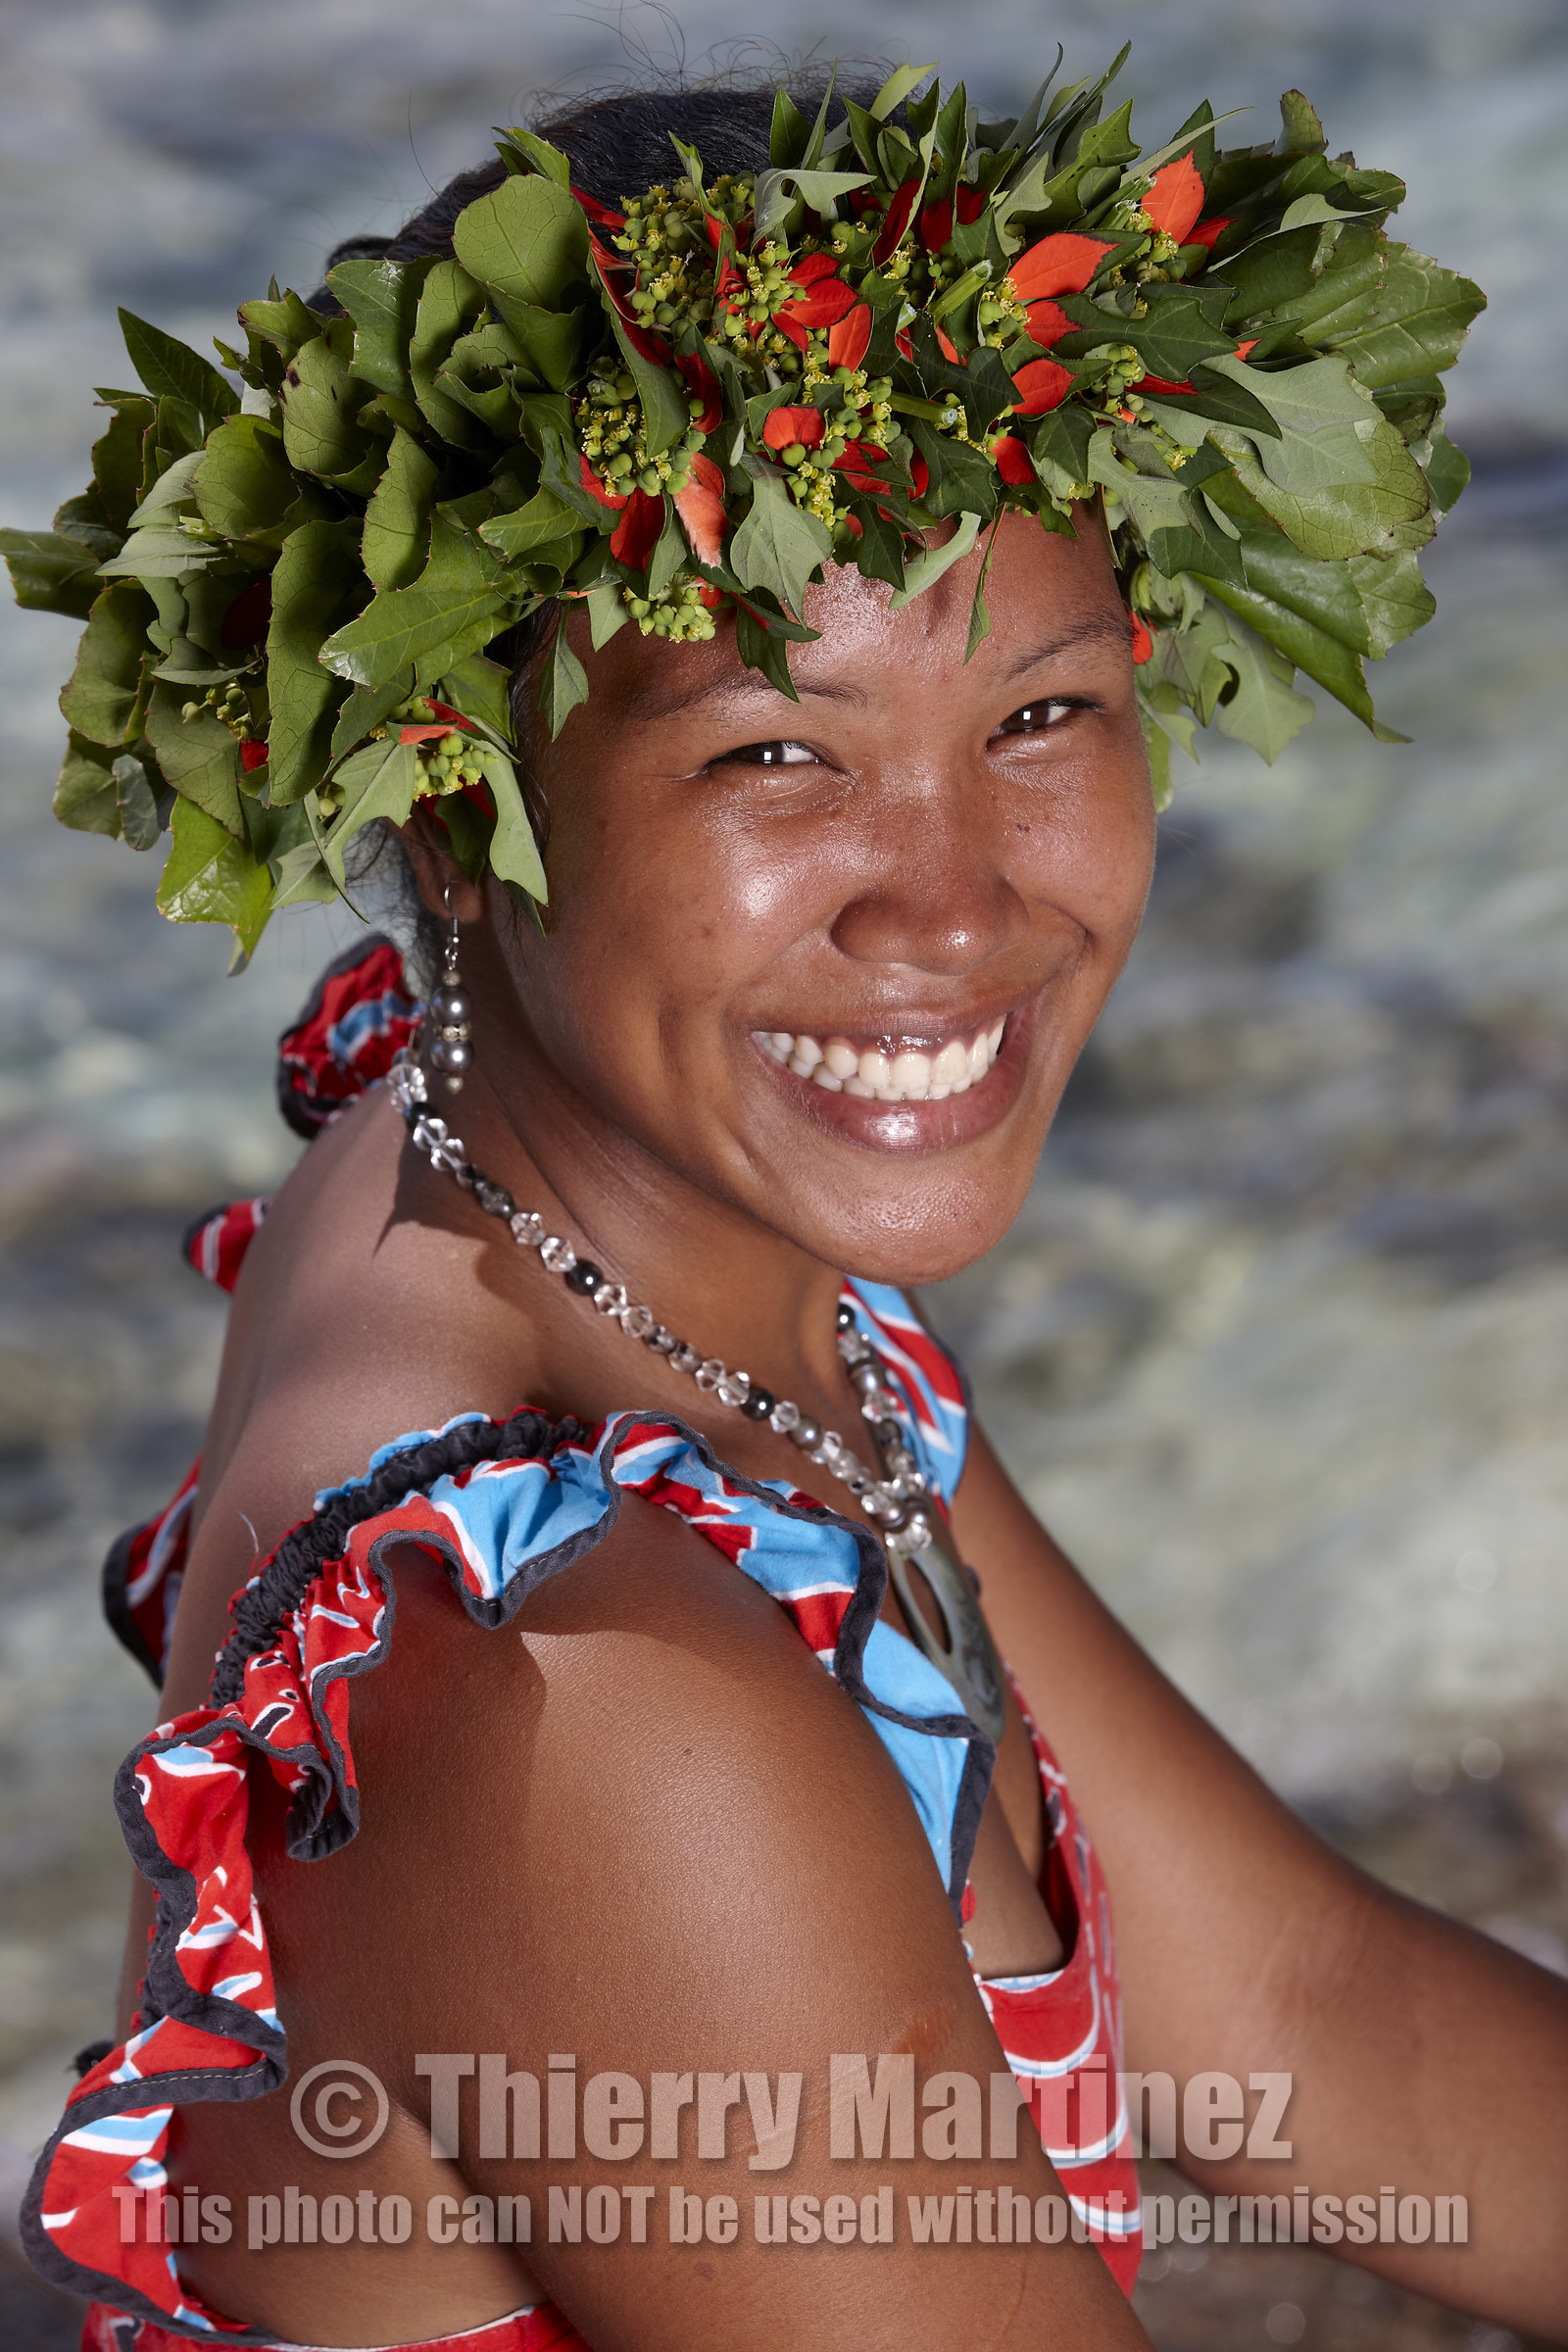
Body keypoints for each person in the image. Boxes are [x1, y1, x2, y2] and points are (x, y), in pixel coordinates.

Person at [12, 60, 1565, 2352]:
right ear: (456, 807)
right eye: (772, 752)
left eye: (1037, 716)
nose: (954, 910)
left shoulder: (577, 1215)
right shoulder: (586, 1697)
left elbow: (1295, 2010)